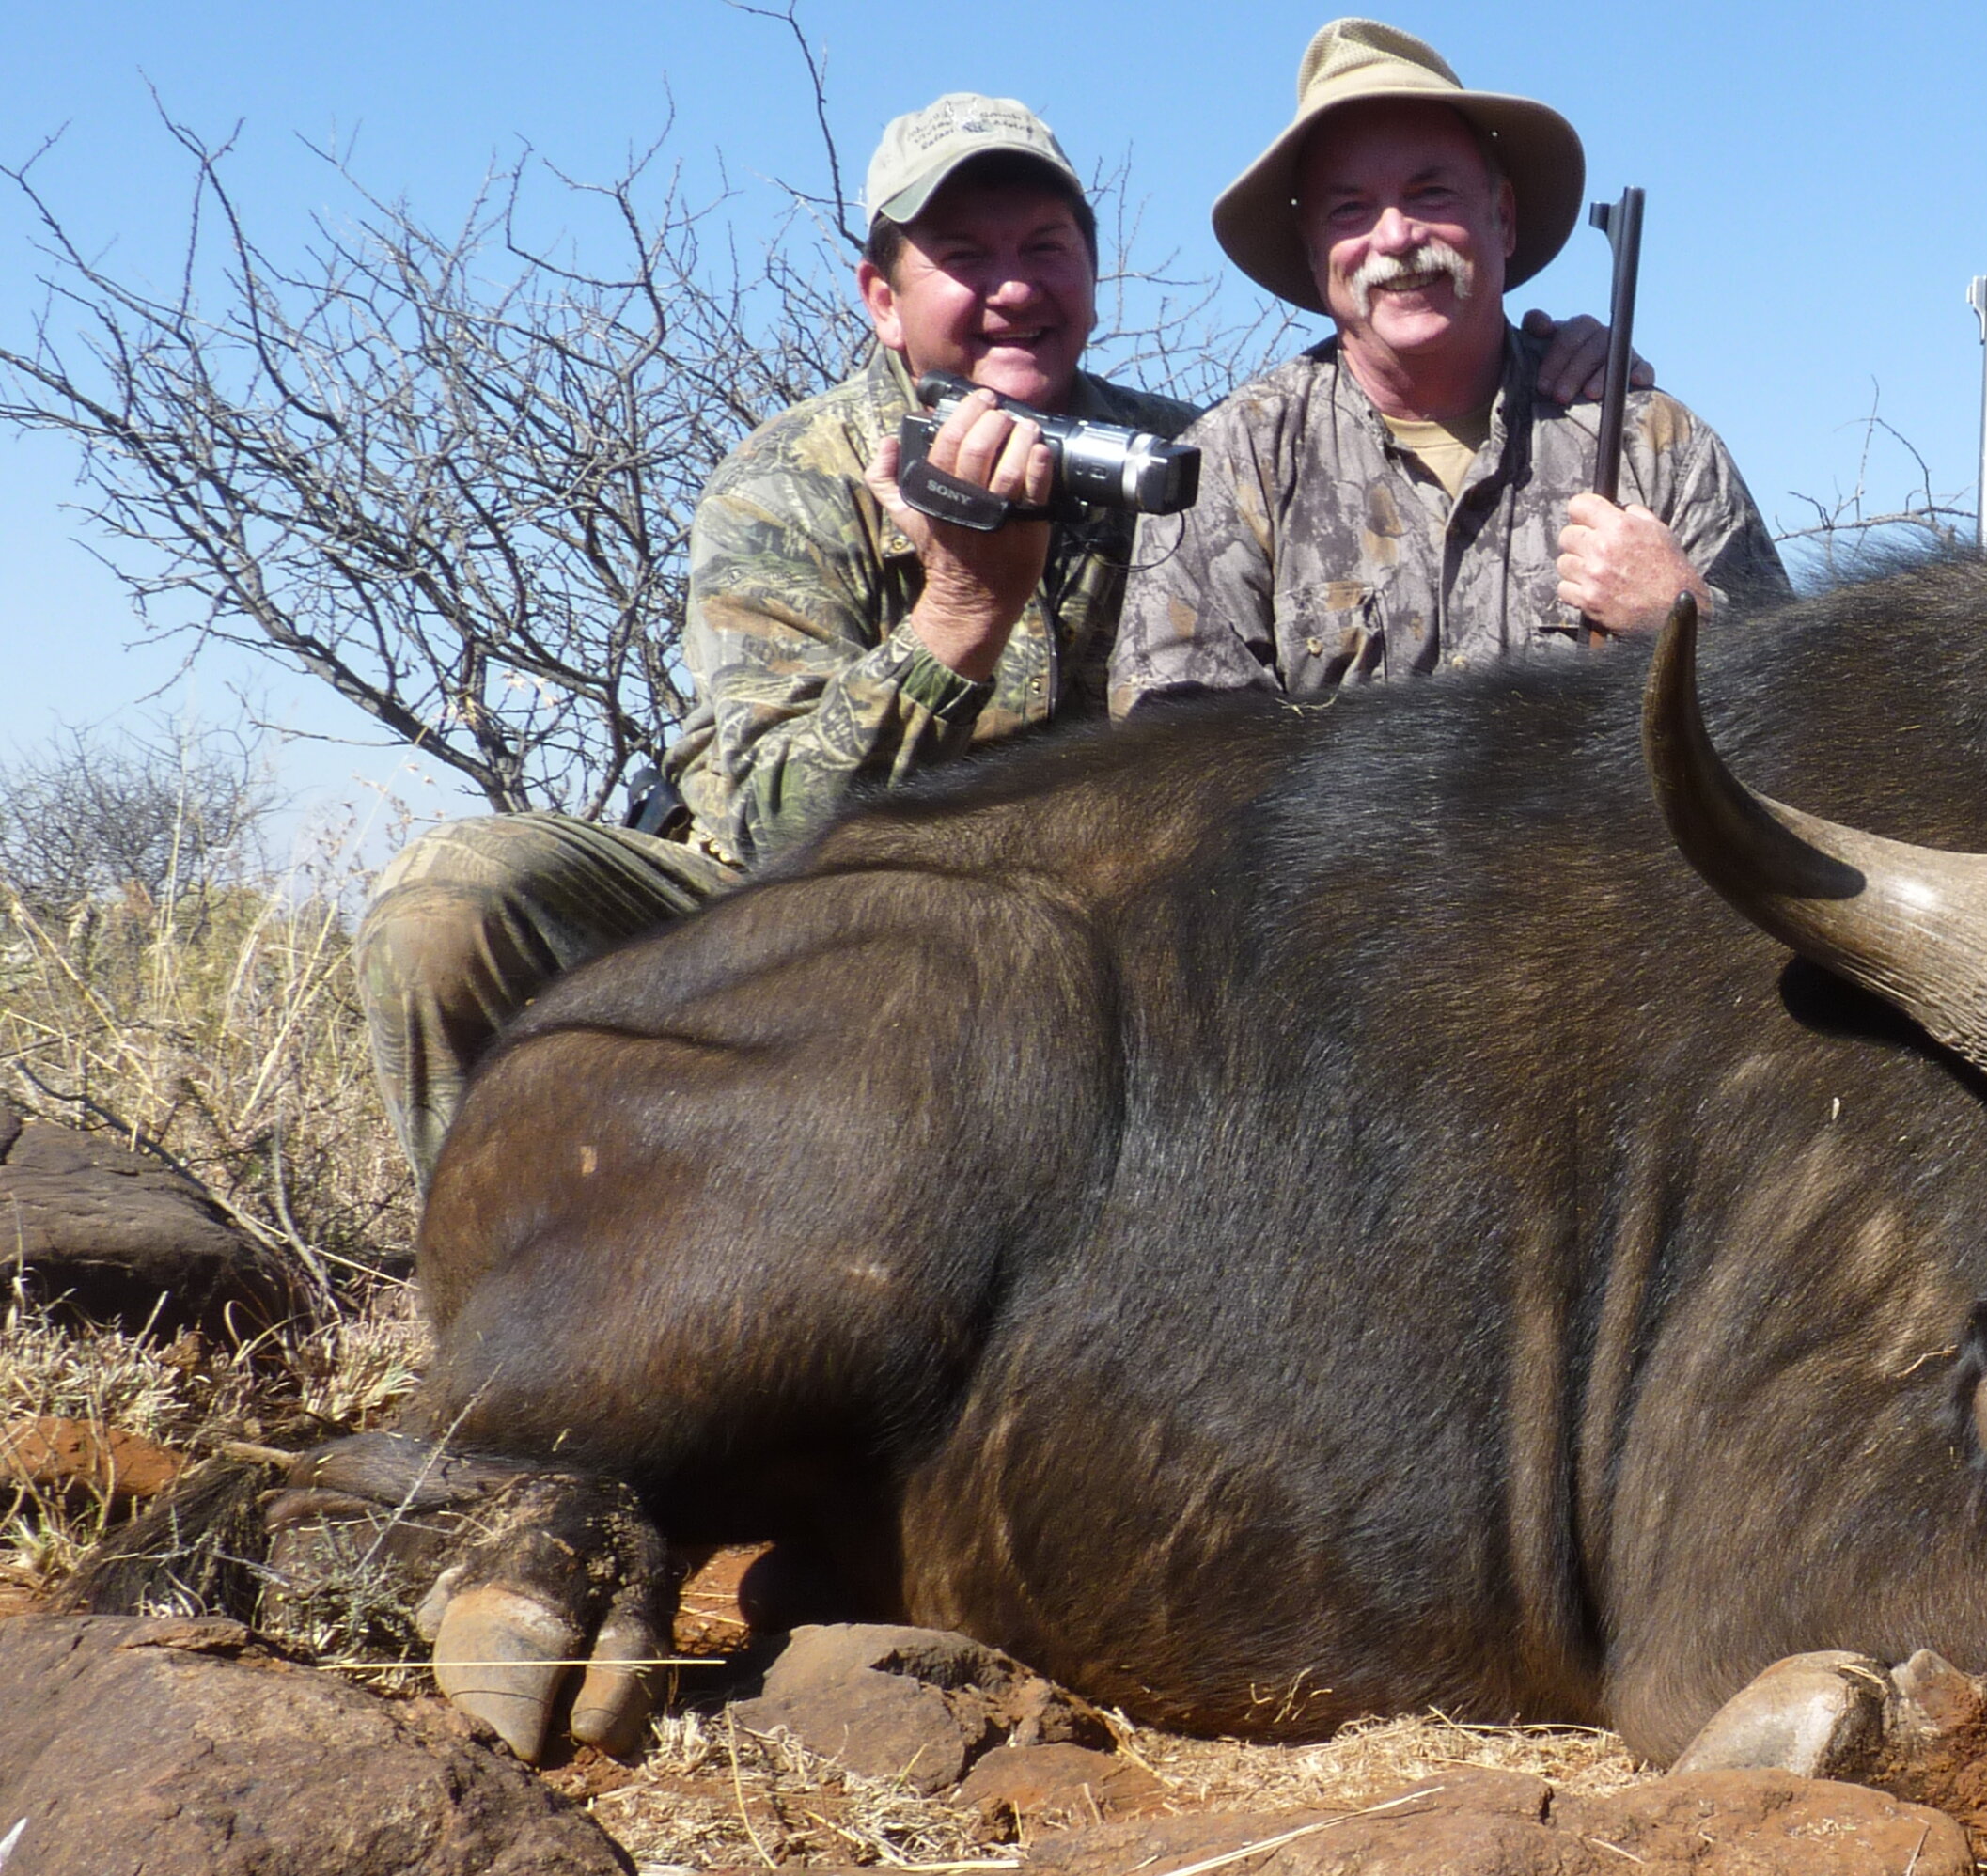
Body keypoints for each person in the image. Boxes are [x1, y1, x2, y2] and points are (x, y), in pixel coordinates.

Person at [351, 89, 1632, 1181]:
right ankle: (495, 1297)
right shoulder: (788, 479)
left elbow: (1375, 464)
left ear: (1091, 270)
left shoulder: (1195, 454)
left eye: (1046, 246)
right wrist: (962, 606)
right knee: (451, 903)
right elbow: (773, 827)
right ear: (882, 298)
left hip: (1071, 941)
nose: (1014, 288)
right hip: (799, 920)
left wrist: (1532, 360)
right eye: (964, 256)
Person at [1113, 19, 1787, 710]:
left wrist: (1684, 618)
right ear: (1315, 254)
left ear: (1503, 217)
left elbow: (1788, 722)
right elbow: (1177, 761)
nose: (1397, 236)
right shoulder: (1230, 463)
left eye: (1431, 193)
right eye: (1350, 209)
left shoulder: (1656, 446)